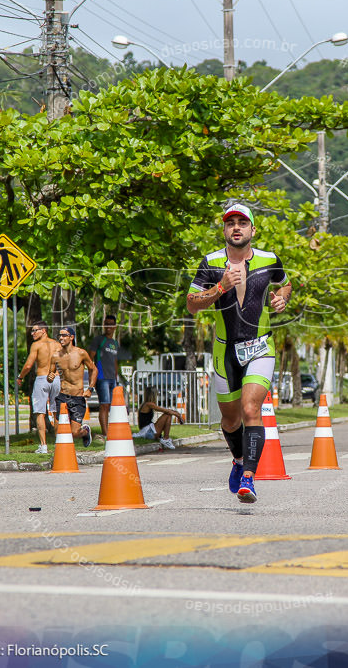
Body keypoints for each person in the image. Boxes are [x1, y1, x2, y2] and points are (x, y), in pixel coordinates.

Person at [187, 203, 292, 504]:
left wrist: (281, 299)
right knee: (230, 421)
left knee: (250, 410)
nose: (236, 227)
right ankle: (237, 459)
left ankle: (249, 477)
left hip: (260, 346)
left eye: (242, 223)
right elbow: (192, 304)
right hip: (225, 349)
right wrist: (219, 288)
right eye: (230, 222)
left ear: (252, 230)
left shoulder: (269, 260)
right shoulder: (210, 262)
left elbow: (286, 286)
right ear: (224, 230)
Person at [48, 326, 98, 448]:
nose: (61, 338)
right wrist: (50, 377)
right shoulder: (55, 356)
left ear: (71, 337)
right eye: (59, 335)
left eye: (64, 335)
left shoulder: (81, 353)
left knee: (74, 433)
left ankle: (85, 432)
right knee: (58, 429)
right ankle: (60, 455)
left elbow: (94, 369)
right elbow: (50, 375)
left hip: (77, 398)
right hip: (62, 396)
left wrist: (90, 388)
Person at [16, 321, 61, 454]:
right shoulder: (58, 345)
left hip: (42, 378)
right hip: (56, 378)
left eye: (35, 330)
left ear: (44, 330)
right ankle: (59, 444)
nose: (32, 333)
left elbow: (29, 365)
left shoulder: (36, 345)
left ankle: (43, 446)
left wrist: (20, 377)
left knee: (40, 412)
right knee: (55, 411)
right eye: (32, 331)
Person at [88, 314, 120, 440]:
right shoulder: (98, 340)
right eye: (106, 324)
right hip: (102, 378)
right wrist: (92, 377)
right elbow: (89, 359)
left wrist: (116, 378)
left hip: (112, 379)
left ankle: (111, 431)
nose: (108, 327)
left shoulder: (114, 343)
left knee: (112, 406)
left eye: (111, 324)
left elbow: (115, 361)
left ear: (115, 326)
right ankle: (105, 433)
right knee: (104, 405)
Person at [135, 385, 183, 450]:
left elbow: (167, 410)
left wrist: (175, 413)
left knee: (168, 414)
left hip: (148, 431)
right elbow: (164, 410)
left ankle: (166, 438)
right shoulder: (149, 404)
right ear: (153, 395)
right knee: (167, 415)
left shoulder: (146, 404)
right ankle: (166, 439)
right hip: (148, 432)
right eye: (156, 394)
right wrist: (178, 415)